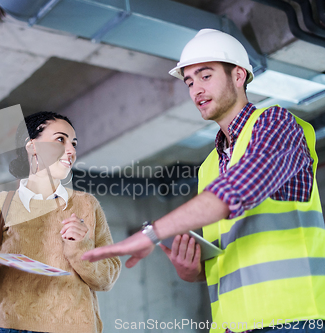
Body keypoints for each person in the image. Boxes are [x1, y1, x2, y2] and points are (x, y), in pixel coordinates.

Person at [82, 29, 325, 333]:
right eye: (189, 81)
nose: (196, 89)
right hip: (231, 326)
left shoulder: (276, 124)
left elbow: (237, 189)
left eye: (205, 76)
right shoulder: (209, 165)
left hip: (293, 320)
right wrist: (194, 270)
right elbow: (229, 258)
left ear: (238, 75)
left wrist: (152, 234)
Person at [0, 111, 121, 333]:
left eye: (73, 143)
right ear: (31, 146)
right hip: (13, 329)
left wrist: (79, 248)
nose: (71, 150)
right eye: (60, 139)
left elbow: (107, 278)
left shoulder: (87, 204)